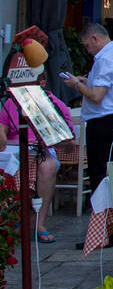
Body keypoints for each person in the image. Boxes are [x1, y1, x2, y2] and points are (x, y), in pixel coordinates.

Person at [61, 23, 113, 198]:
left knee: (99, 173)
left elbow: (96, 95)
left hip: (103, 122)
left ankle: (100, 216)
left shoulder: (106, 59)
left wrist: (76, 84)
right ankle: (111, 213)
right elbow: (112, 86)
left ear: (95, 38)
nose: (88, 50)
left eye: (87, 45)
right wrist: (86, 80)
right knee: (112, 171)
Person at [0, 70, 75, 243]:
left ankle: (39, 224)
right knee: (8, 167)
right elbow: (2, 134)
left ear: (41, 82)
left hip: (42, 151)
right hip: (15, 151)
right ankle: (11, 220)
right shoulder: (11, 103)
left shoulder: (55, 105)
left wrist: (57, 139)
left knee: (47, 167)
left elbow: (70, 146)